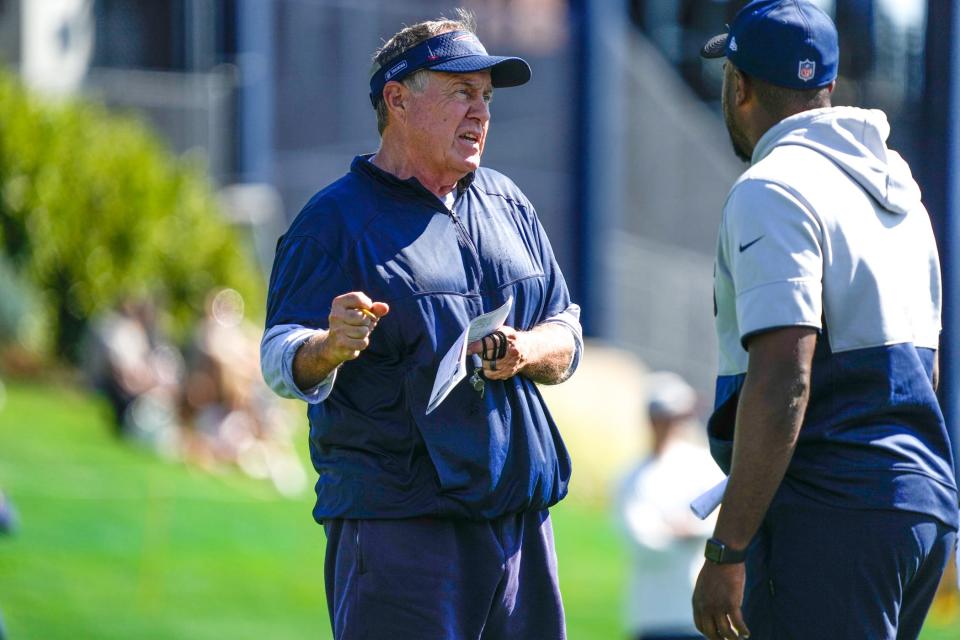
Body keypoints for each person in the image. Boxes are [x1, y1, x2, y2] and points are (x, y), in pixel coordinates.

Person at [260, 10, 582, 639]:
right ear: (398, 100)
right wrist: (329, 346)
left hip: (519, 526)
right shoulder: (334, 219)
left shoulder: (507, 201)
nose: (481, 112)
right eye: (462, 91)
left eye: (486, 97)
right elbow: (278, 357)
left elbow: (566, 330)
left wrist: (524, 349)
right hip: (401, 530)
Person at [690, 2, 959, 639]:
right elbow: (932, 369)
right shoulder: (899, 186)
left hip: (827, 512)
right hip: (917, 507)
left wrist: (728, 548)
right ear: (827, 90)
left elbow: (785, 374)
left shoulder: (773, 186)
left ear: (739, 85)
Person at [616, 372, 721, 640]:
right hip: (654, 614)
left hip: (701, 607)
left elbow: (721, 523)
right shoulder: (632, 475)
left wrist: (687, 530)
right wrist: (685, 533)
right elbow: (641, 539)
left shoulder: (704, 466)